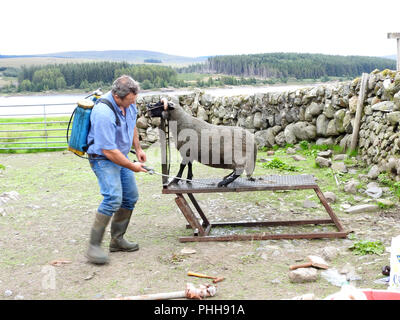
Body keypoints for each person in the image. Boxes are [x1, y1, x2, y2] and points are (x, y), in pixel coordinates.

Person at [85, 75, 148, 265]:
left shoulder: (130, 102)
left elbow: (132, 124)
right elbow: (108, 150)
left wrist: (137, 149)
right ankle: (93, 246)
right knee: (113, 197)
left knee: (130, 197)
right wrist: (132, 166)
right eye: (130, 101)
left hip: (121, 155)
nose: (132, 104)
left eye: (134, 100)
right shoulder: (103, 112)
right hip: (103, 158)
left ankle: (117, 240)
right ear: (117, 96)